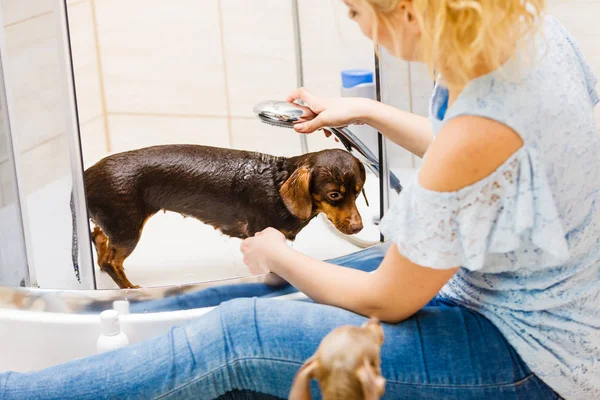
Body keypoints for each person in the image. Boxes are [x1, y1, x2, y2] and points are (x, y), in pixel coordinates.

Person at [2, 0, 598, 398]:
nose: (360, 26)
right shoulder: (520, 32)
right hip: (508, 284)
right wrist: (361, 109)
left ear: (411, 10)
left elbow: (386, 300)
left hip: (533, 355)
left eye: (358, 11)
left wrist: (276, 252)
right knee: (267, 294)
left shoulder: (485, 123)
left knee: (238, 333)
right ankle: (110, 353)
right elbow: (470, 152)